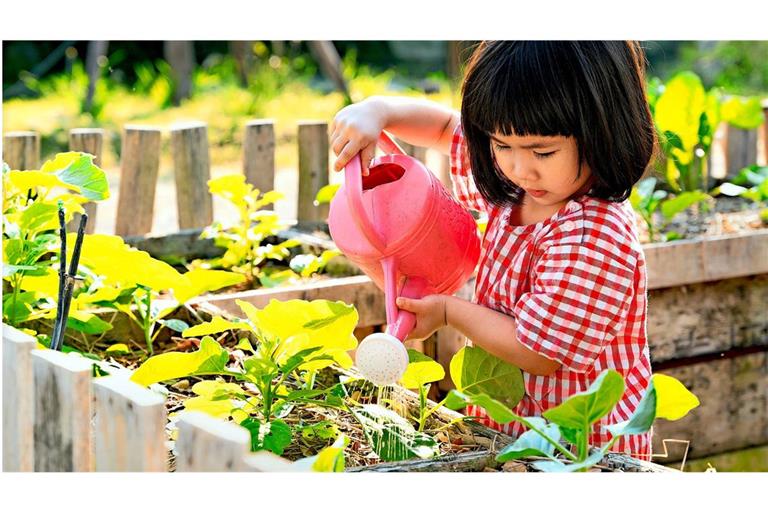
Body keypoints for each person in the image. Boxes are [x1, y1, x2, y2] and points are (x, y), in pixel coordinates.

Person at [330, 41, 656, 460]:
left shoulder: (593, 235)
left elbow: (538, 352)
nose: (520, 168)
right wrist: (378, 112)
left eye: (542, 151)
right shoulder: (516, 192)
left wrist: (448, 311)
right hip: (512, 435)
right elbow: (448, 130)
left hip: (581, 454)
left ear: (604, 129)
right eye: (502, 145)